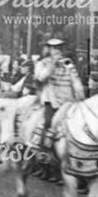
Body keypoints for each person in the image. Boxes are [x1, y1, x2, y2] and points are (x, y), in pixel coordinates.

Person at [33, 39, 84, 180]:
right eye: (54, 48)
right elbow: (41, 77)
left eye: (59, 48)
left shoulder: (68, 63)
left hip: (68, 101)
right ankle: (45, 160)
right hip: (51, 100)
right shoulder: (42, 63)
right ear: (48, 49)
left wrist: (80, 94)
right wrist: (52, 66)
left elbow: (75, 80)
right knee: (48, 124)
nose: (57, 51)